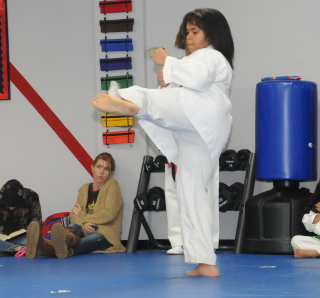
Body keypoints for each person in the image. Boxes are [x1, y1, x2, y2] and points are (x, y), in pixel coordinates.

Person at [92, 8, 234, 277]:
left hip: (202, 115)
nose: (188, 37)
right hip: (201, 134)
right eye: (187, 32)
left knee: (145, 97)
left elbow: (198, 79)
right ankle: (205, 261)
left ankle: (133, 104)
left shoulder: (212, 55)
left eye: (195, 32)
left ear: (212, 34)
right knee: (191, 194)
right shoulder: (194, 62)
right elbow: (188, 87)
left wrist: (168, 62)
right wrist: (170, 81)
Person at [26, 152, 126, 259]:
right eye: (99, 167)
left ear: (111, 173)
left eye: (106, 169)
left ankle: (44, 247)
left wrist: (83, 216)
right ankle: (52, 244)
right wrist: (84, 224)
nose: (101, 171)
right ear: (92, 168)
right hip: (83, 228)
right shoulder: (83, 189)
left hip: (105, 235)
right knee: (72, 227)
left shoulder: (113, 186)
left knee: (86, 242)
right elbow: (73, 215)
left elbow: (108, 214)